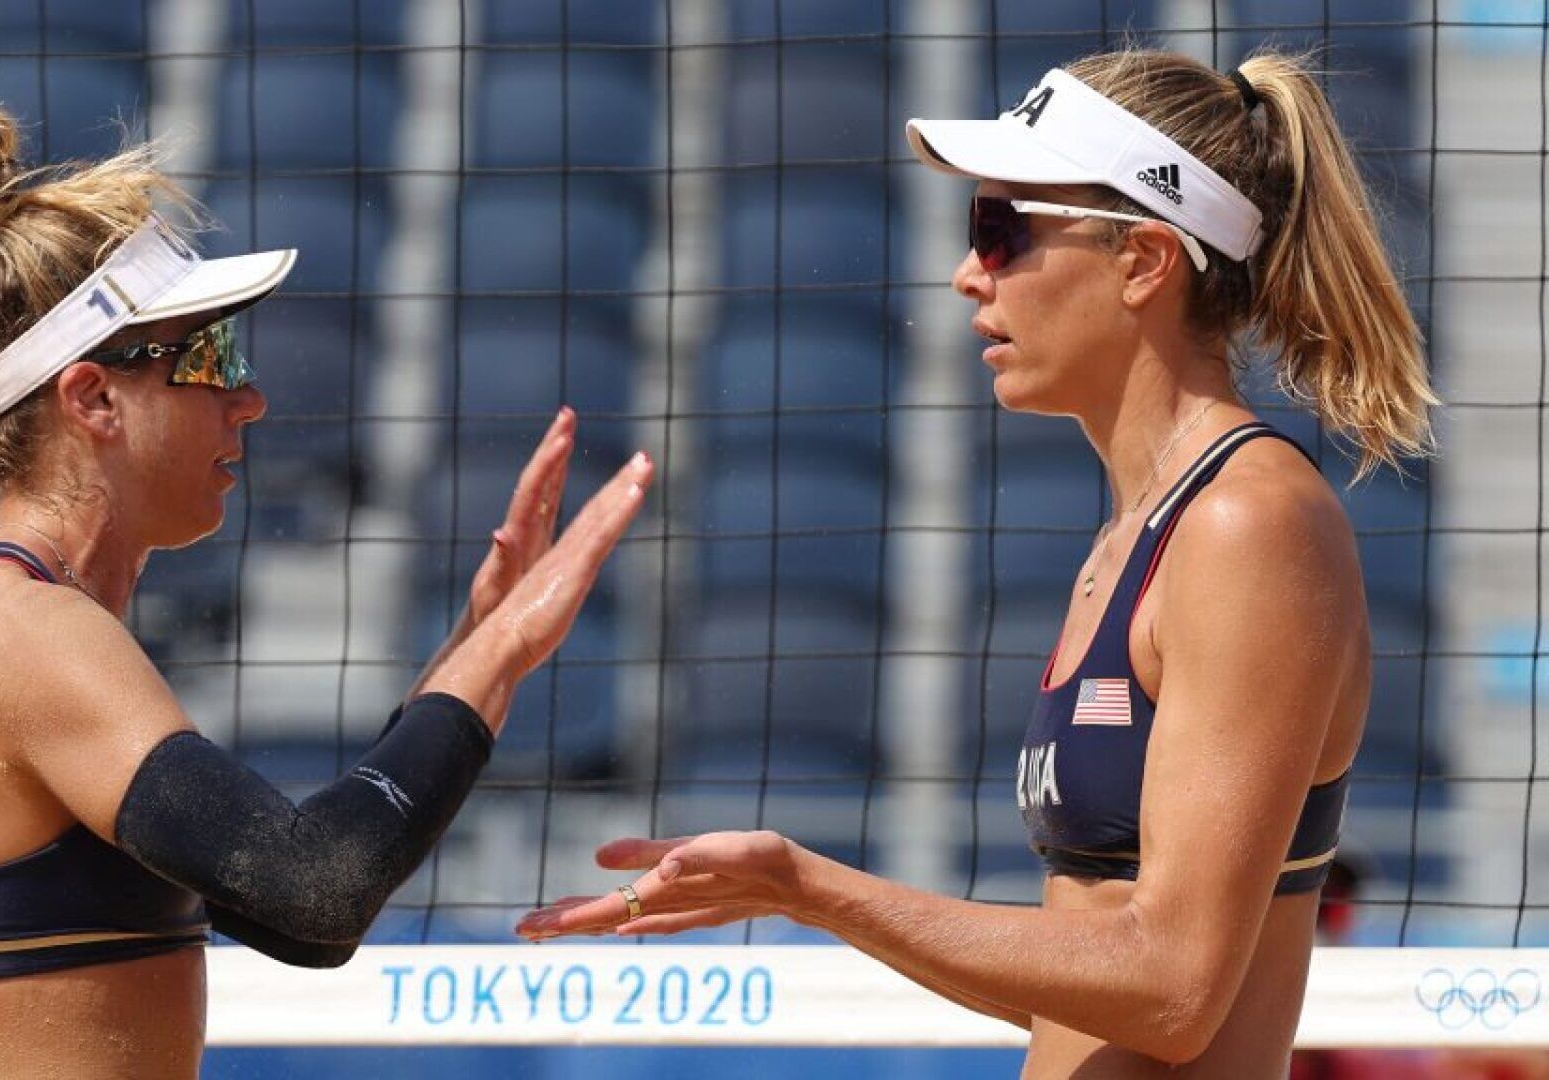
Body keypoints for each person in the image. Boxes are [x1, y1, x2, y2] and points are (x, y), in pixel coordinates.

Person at [519, 46, 1437, 1076]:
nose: (967, 274)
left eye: (1001, 233)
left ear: (1144, 260)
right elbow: (1087, 1002)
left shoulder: (1249, 524)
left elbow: (1173, 990)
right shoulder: (1138, 532)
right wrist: (821, 905)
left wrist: (813, 888)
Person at [0, 101, 653, 1079]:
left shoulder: (9, 628)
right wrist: (502, 651)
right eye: (211, 358)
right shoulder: (17, 636)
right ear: (92, 399)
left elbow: (304, 923)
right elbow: (315, 891)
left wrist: (472, 641)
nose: (251, 397)